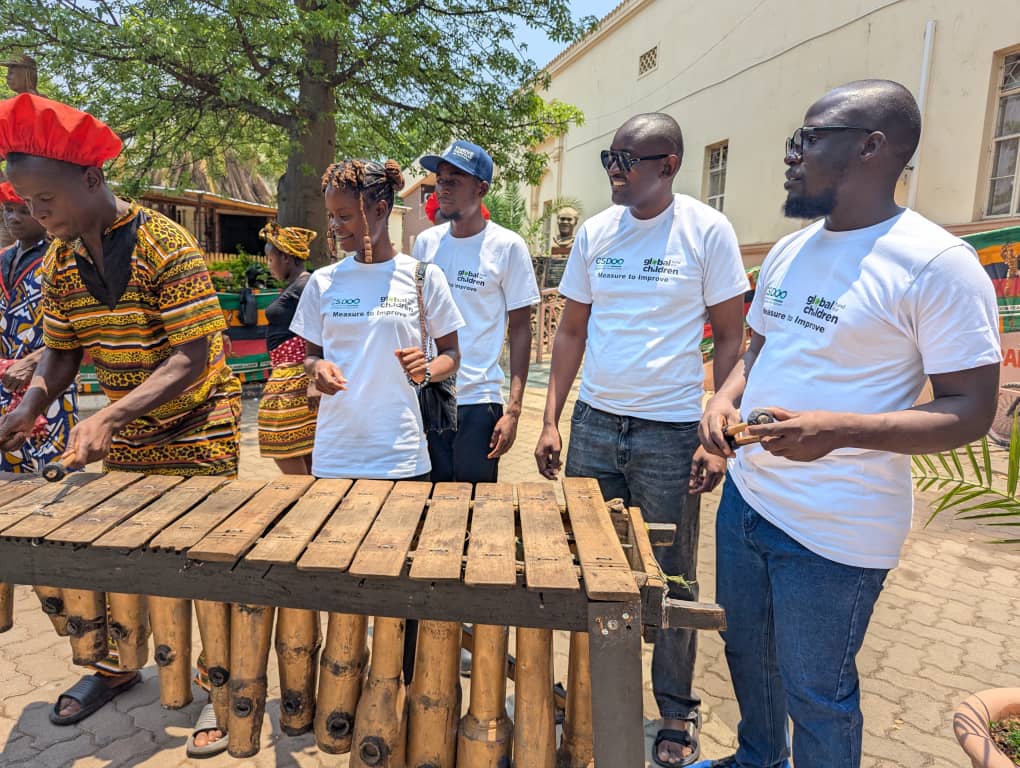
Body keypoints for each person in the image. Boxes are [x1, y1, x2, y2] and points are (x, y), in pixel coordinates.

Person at [694, 80, 1001, 768]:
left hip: (834, 532)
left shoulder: (935, 265)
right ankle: (758, 759)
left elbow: (973, 410)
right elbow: (760, 350)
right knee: (747, 655)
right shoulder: (793, 249)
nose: (791, 155)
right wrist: (725, 398)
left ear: (872, 147)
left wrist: (840, 430)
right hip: (750, 502)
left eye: (808, 138)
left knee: (819, 693)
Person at [0, 92, 241, 756]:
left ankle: (215, 688)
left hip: (200, 427)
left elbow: (192, 356)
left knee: (201, 566)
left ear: (91, 177)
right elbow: (62, 350)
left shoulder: (168, 244)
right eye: (24, 203)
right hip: (130, 435)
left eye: (43, 199)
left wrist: (108, 413)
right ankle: (117, 666)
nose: (34, 212)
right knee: (124, 564)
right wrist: (28, 410)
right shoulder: (58, 260)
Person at [534, 112, 749, 767]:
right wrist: (551, 418)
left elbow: (735, 338)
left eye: (630, 158)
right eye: (610, 157)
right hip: (595, 427)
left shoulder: (707, 233)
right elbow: (570, 333)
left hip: (670, 434)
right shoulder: (597, 233)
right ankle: (593, 686)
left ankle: (676, 709)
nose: (616, 170)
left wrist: (717, 430)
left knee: (673, 575)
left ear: (671, 163)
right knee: (585, 562)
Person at [292, 158, 463, 480]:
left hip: (401, 456)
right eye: (331, 216)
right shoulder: (322, 282)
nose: (334, 226)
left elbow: (452, 356)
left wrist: (425, 369)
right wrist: (318, 369)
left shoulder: (423, 277)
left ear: (381, 210)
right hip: (335, 455)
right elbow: (311, 357)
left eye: (344, 216)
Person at [414, 141, 539, 483]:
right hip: (431, 394)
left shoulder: (507, 246)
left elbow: (520, 329)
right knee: (427, 503)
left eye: (455, 178)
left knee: (474, 506)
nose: (444, 186)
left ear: (481, 188)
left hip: (479, 400)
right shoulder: (426, 244)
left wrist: (513, 409)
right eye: (440, 178)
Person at [0, 180, 77, 472]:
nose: (13, 218)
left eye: (22, 210)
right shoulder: (2, 258)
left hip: (48, 381)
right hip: (4, 382)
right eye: (8, 210)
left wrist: (33, 361)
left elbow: (80, 327)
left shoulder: (65, 256)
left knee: (52, 469)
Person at [256, 221, 317, 474]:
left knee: (279, 436)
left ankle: (302, 495)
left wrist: (313, 380)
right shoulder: (298, 286)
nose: (269, 267)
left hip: (296, 373)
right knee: (303, 445)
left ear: (286, 257)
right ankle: (312, 498)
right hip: (287, 370)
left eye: (271, 259)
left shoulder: (306, 286)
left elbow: (319, 327)